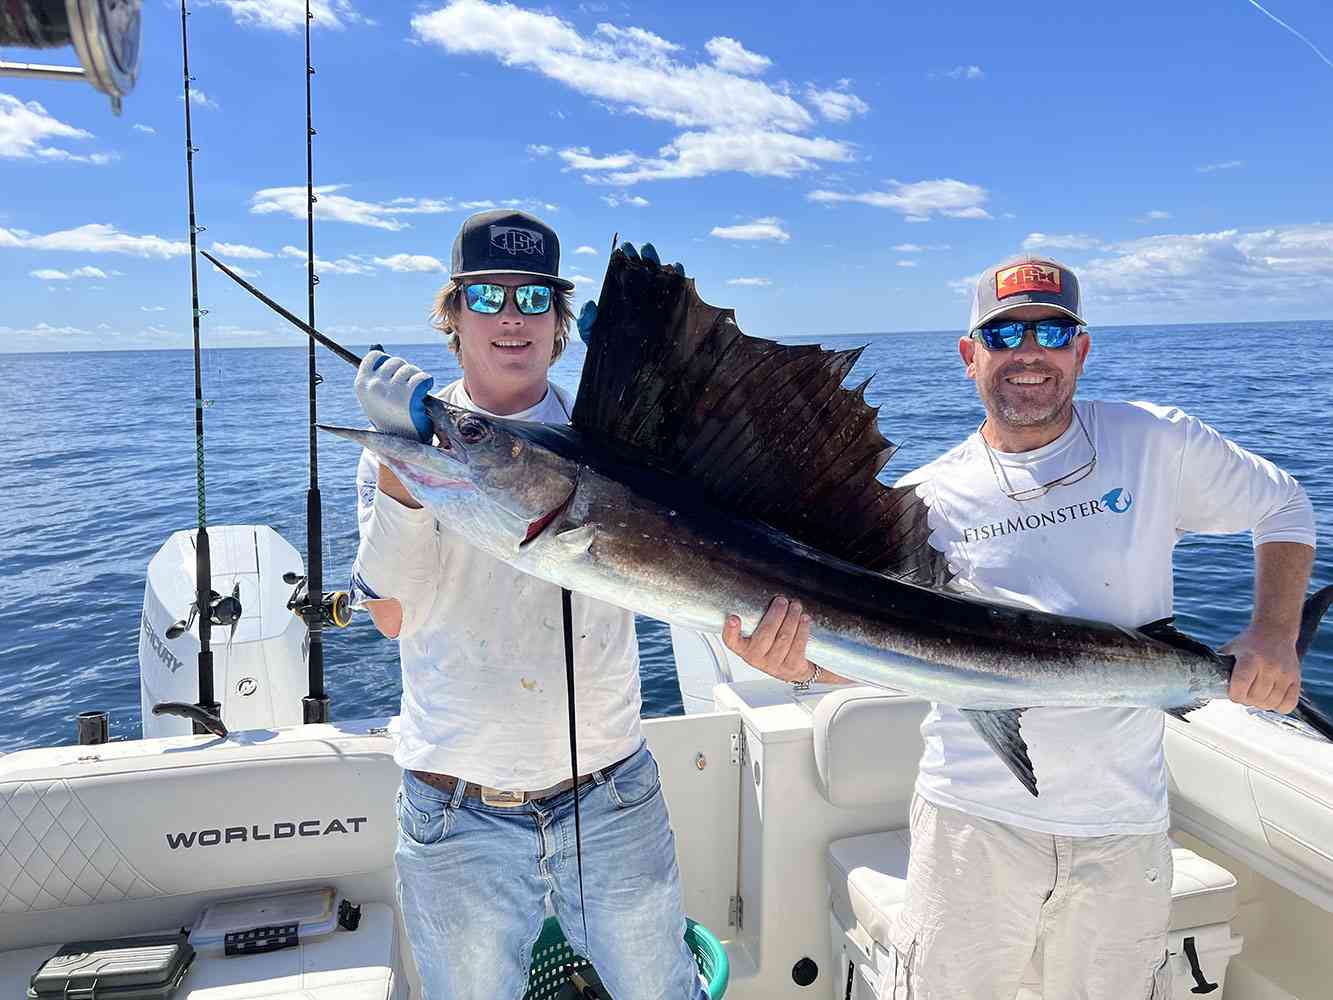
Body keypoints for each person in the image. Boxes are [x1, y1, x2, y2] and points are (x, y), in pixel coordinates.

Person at [723, 254, 1316, 999]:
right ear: (969, 356)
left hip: (1123, 824)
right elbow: (895, 650)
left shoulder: (1154, 442)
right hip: (969, 822)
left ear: (1081, 350)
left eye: (1050, 332)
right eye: (1004, 335)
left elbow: (1283, 506)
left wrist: (1272, 633)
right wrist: (805, 665)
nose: (1028, 352)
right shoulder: (924, 503)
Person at [350, 209, 707, 1000]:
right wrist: (401, 477)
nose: (510, 316)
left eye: (533, 298)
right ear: (453, 315)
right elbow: (391, 616)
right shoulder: (405, 444)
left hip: (611, 796)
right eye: (486, 297)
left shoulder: (613, 440)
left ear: (558, 321)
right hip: (455, 809)